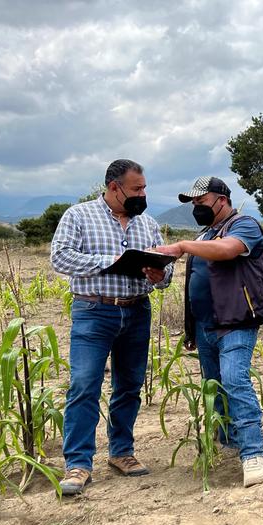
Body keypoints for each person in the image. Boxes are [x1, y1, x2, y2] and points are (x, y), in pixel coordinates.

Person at [51, 159, 173, 495]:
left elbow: (166, 274)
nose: (143, 193)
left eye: (145, 187)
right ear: (114, 187)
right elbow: (60, 257)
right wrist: (113, 263)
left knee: (130, 385)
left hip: (137, 311)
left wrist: (160, 275)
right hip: (94, 310)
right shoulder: (79, 216)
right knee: (84, 384)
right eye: (137, 188)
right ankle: (78, 463)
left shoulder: (147, 224)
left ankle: (121, 453)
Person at [154, 176, 263, 486]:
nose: (196, 207)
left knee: (234, 380)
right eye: (193, 203)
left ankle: (253, 454)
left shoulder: (245, 225)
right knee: (215, 387)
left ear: (221, 199)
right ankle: (230, 442)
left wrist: (181, 246)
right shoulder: (207, 233)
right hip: (206, 325)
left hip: (235, 322)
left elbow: (228, 251)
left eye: (201, 201)